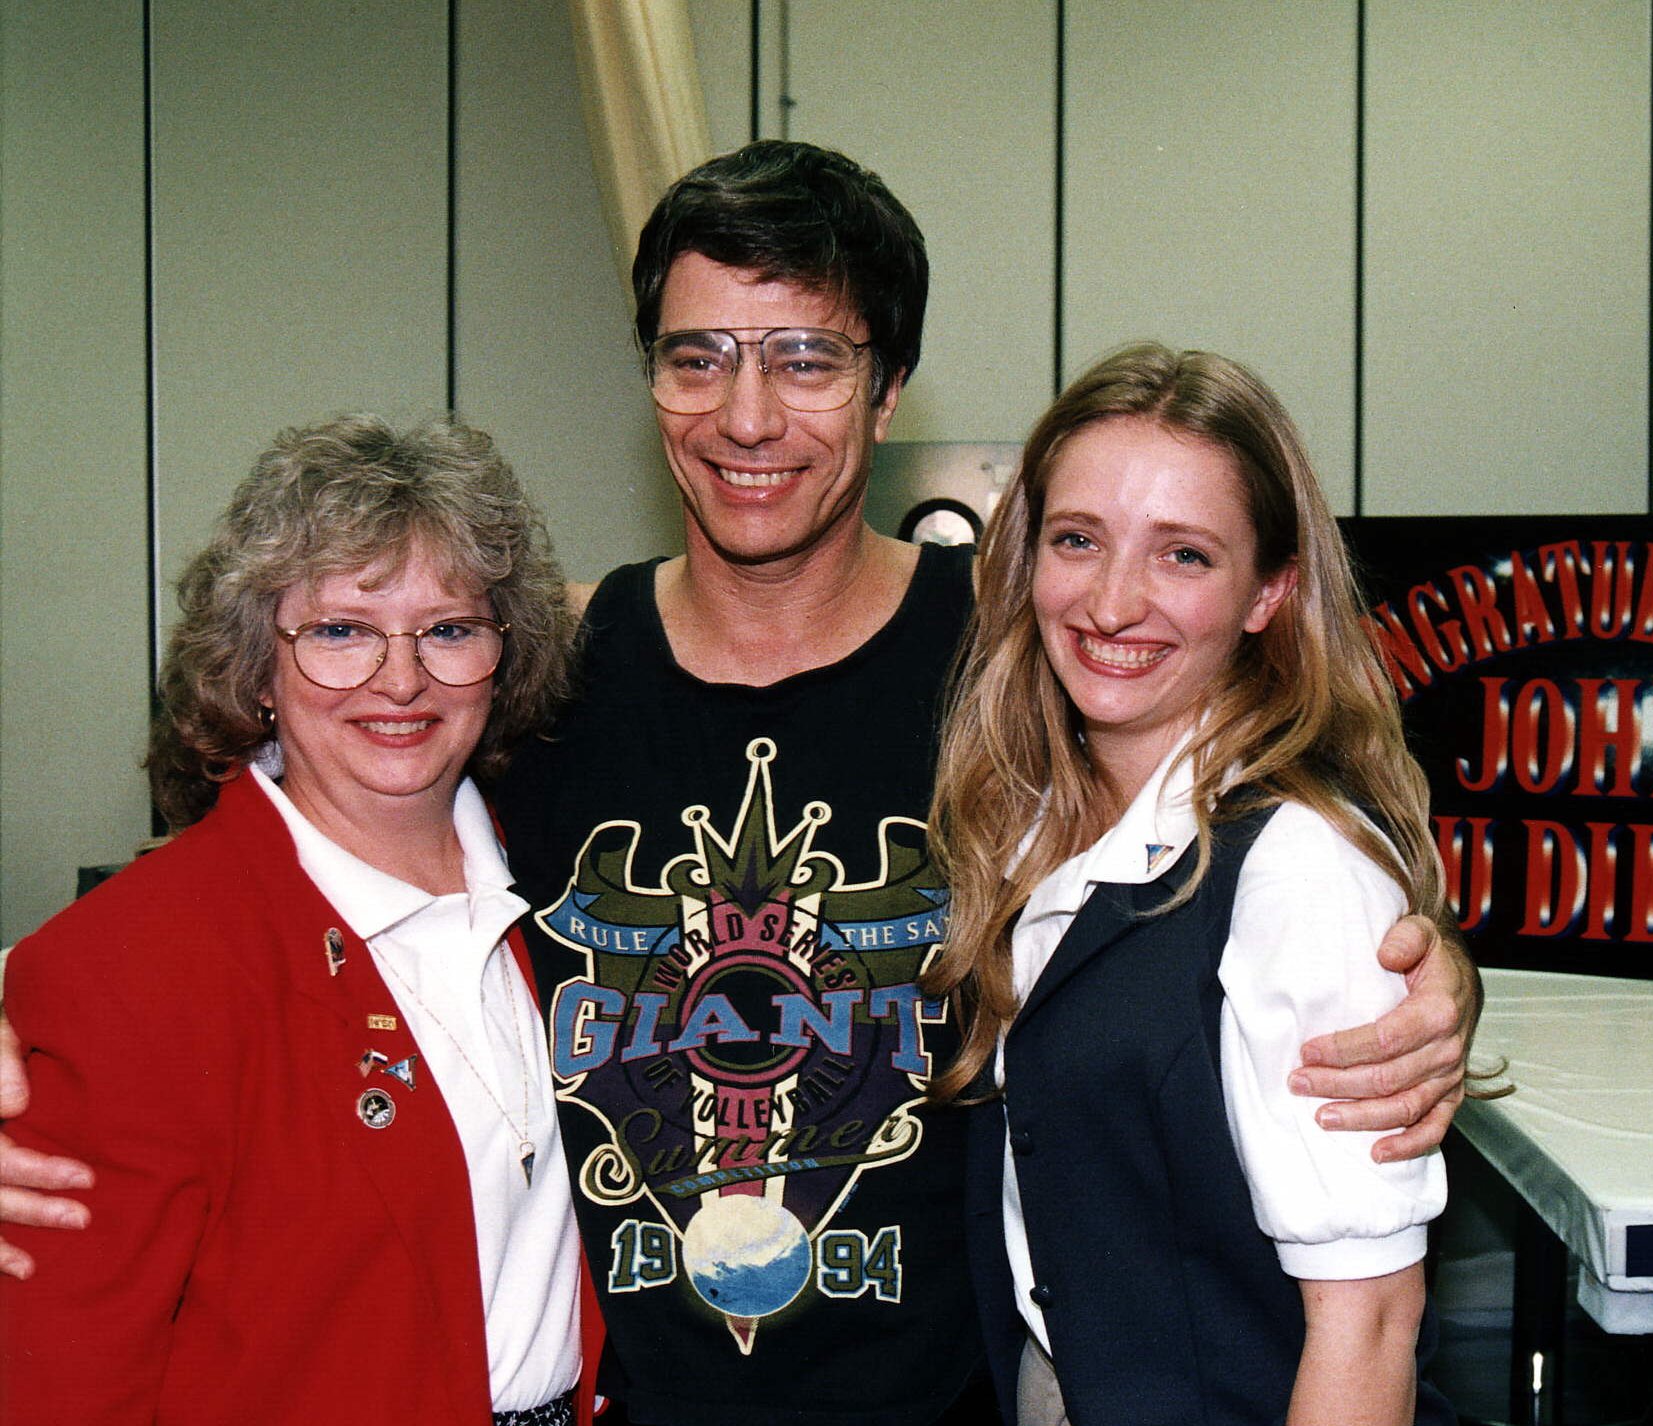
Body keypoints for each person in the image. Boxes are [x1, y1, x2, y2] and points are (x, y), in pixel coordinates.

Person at [0, 143, 1478, 1426]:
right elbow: (267, 857)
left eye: (807, 358)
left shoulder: (1019, 666)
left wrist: (1429, 966)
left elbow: (1235, 826)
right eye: (697, 355)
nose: (747, 418)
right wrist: (28, 1025)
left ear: (890, 383)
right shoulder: (528, 678)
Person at [0, 416, 597, 1425]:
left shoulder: (565, 885)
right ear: (256, 665)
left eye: (449, 629)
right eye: (339, 632)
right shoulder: (128, 967)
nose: (400, 679)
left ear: (503, 654)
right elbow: (63, 1383)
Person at [928, 345, 1456, 1426]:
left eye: (1184, 556)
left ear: (1270, 592)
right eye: (1079, 540)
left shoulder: (1299, 865)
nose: (1114, 602)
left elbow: (1368, 1326)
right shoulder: (1034, 817)